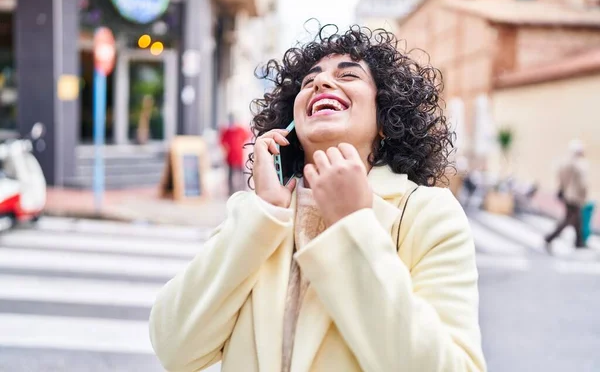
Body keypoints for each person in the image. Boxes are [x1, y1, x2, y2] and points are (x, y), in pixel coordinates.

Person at [149, 25, 486, 372]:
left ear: (386, 119)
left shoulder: (428, 214)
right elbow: (175, 348)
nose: (320, 84)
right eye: (309, 81)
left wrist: (353, 225)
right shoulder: (259, 214)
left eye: (349, 76)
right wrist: (263, 212)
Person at [545, 139, 589, 251]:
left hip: (568, 195)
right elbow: (582, 184)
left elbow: (560, 177)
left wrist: (563, 188)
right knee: (569, 220)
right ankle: (550, 237)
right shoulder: (579, 164)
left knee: (577, 219)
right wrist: (584, 196)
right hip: (575, 197)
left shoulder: (566, 162)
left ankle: (579, 242)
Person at [219, 113, 250, 195]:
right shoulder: (226, 131)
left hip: (239, 155)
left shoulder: (240, 130)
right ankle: (231, 191)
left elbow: (247, 136)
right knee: (230, 175)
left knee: (241, 174)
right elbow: (222, 141)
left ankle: (242, 189)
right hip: (230, 156)